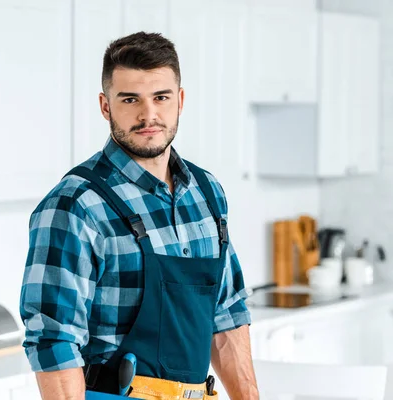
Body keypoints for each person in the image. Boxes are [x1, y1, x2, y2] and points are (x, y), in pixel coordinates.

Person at [19, 32, 259, 399]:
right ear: (105, 106)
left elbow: (226, 316)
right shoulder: (76, 205)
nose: (148, 114)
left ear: (179, 101)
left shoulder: (207, 193)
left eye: (160, 97)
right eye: (130, 99)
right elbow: (54, 339)